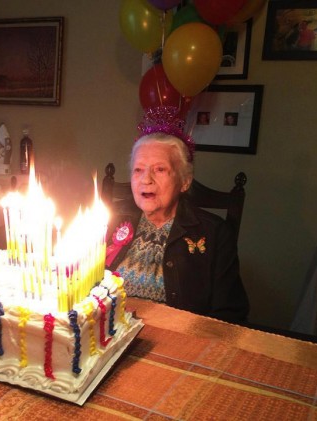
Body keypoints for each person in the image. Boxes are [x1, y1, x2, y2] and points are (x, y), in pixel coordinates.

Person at [105, 106, 249, 323]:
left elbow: (230, 314)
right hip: (110, 336)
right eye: (138, 170)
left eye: (160, 169)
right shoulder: (110, 222)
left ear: (185, 181)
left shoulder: (215, 233)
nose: (146, 179)